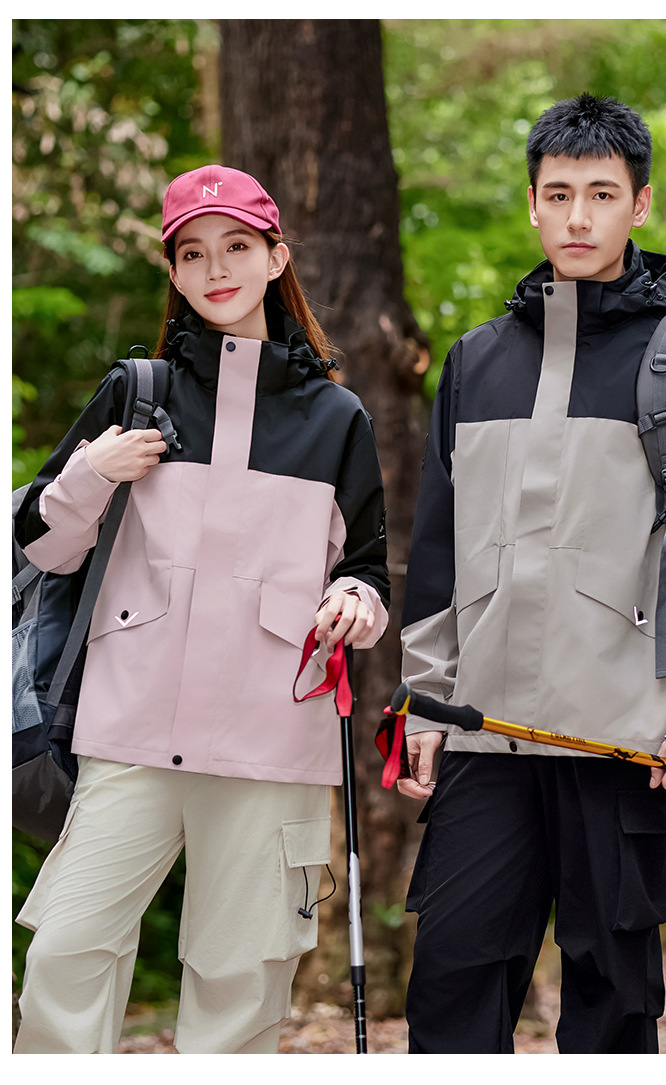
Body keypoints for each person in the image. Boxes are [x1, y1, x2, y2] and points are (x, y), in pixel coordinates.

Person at [396, 94, 666, 1054]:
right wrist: (426, 705)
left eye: (601, 194)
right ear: (531, 203)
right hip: (486, 737)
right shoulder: (474, 362)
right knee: (450, 989)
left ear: (638, 205)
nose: (577, 216)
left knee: (611, 1005)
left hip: (624, 743)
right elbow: (437, 549)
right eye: (558, 193)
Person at [13, 164, 389, 1054]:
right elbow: (41, 549)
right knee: (67, 952)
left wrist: (353, 600)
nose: (215, 268)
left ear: (275, 258)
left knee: (239, 980)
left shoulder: (338, 418)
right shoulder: (137, 391)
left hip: (271, 742)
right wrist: (91, 474)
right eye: (192, 253)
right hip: (129, 732)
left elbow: (365, 569)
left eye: (236, 246)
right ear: (174, 273)